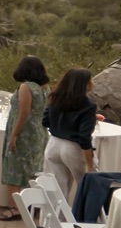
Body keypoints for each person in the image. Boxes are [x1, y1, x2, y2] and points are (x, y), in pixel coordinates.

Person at [0, 55, 51, 220]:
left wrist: (14, 134)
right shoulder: (45, 88)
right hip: (39, 130)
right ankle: (31, 204)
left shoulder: (26, 87)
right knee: (32, 169)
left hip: (25, 132)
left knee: (14, 168)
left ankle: (15, 208)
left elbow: (24, 112)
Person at [42, 67, 99, 201]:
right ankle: (86, 219)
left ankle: (54, 220)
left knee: (57, 189)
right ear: (85, 84)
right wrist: (90, 165)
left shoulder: (55, 98)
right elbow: (84, 138)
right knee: (87, 186)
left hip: (53, 144)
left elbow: (45, 121)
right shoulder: (88, 106)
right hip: (72, 147)